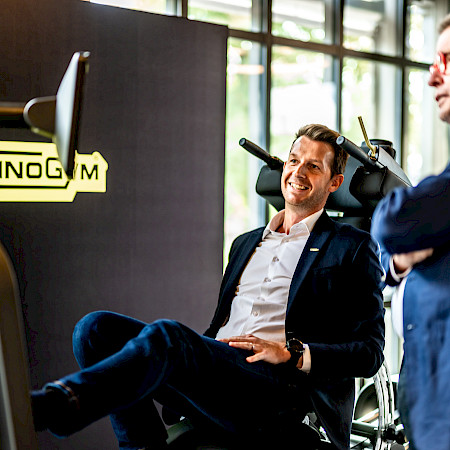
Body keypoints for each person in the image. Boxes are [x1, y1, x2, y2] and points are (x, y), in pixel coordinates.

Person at [32, 124, 385, 450]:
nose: (298, 172)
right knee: (93, 330)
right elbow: (221, 325)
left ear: (334, 182)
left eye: (313, 167)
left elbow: (370, 352)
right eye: (294, 160)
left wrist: (292, 352)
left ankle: (58, 405)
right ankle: (142, 446)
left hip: (276, 388)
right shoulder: (245, 243)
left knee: (169, 337)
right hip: (222, 371)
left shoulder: (351, 246)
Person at [371, 15, 450, 450]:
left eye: (447, 60)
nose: (432, 77)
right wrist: (402, 258)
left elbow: (392, 222)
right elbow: (391, 250)